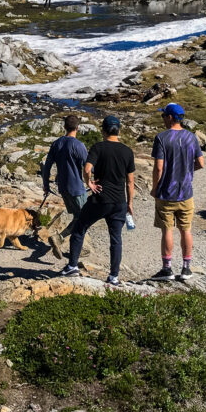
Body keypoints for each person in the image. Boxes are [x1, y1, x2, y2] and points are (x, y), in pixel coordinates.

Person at [61, 115, 135, 286]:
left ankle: (72, 266)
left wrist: (90, 183)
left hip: (100, 199)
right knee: (115, 238)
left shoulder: (98, 147)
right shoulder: (127, 151)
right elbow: (130, 182)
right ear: (119, 131)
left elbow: (87, 169)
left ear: (103, 130)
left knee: (80, 228)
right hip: (119, 202)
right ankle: (113, 277)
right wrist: (129, 203)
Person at [150, 103, 204, 281]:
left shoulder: (161, 138)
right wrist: (188, 171)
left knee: (167, 230)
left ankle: (167, 269)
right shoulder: (191, 137)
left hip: (167, 193)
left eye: (164, 116)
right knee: (186, 230)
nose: (163, 119)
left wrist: (155, 188)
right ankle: (186, 268)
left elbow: (159, 167)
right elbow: (201, 163)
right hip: (186, 192)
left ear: (170, 117)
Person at [42, 114, 88, 258]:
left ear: (64, 127)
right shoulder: (78, 145)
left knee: (78, 217)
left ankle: (77, 246)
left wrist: (45, 184)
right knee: (83, 218)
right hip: (77, 187)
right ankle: (61, 239)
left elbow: (47, 165)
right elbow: (88, 167)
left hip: (63, 187)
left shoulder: (57, 143)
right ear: (77, 127)